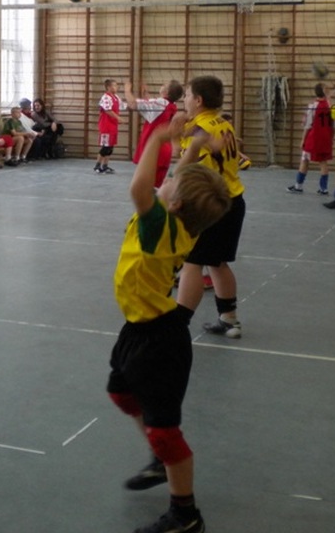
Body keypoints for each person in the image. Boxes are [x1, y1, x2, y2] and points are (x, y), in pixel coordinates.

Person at [107, 121, 230, 533]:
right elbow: (179, 177)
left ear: (174, 204)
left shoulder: (159, 226)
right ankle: (160, 459)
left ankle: (185, 515)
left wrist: (159, 138)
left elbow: (139, 188)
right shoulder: (179, 222)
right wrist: (195, 145)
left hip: (159, 341)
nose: (167, 178)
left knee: (165, 432)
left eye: (171, 182)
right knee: (123, 394)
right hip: (140, 328)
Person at [174, 75, 247, 339]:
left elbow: (183, 168)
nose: (184, 99)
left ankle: (178, 323)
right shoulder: (223, 122)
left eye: (187, 95)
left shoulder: (198, 129)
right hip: (233, 200)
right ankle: (229, 319)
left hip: (209, 204)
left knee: (192, 263)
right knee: (217, 262)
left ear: (198, 100)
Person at [124, 79, 183, 188]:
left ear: (166, 92)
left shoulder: (161, 103)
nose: (162, 85)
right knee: (155, 186)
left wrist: (127, 90)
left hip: (154, 149)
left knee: (146, 187)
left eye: (164, 84)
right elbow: (153, 108)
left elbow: (133, 104)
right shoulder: (171, 104)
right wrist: (145, 94)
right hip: (163, 149)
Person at [287, 83, 335, 195]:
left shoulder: (313, 106)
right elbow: (334, 125)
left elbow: (307, 125)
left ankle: (298, 186)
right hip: (326, 138)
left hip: (313, 139)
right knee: (323, 162)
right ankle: (324, 189)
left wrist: (303, 140)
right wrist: (331, 138)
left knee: (304, 160)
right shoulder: (330, 106)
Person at [94, 78, 124, 174]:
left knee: (110, 147)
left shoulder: (116, 97)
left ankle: (105, 166)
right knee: (105, 147)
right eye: (114, 85)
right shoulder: (106, 97)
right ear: (108, 87)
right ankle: (97, 166)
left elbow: (123, 105)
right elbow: (107, 110)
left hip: (113, 126)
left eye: (116, 85)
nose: (116, 87)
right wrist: (118, 118)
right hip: (106, 126)